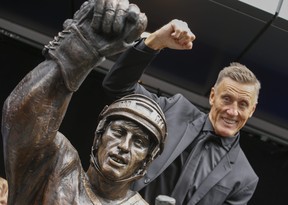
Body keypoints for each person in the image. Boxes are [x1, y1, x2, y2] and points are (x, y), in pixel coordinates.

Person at [1, 0, 169, 204]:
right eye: (118, 132)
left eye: (139, 142)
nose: (124, 146)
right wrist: (78, 51)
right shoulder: (58, 164)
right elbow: (20, 122)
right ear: (99, 135)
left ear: (147, 160)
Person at [102, 19, 261, 205]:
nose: (233, 111)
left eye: (243, 104)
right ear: (212, 97)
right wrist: (155, 42)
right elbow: (117, 87)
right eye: (226, 99)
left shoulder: (245, 178)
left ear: (252, 110)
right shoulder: (175, 110)